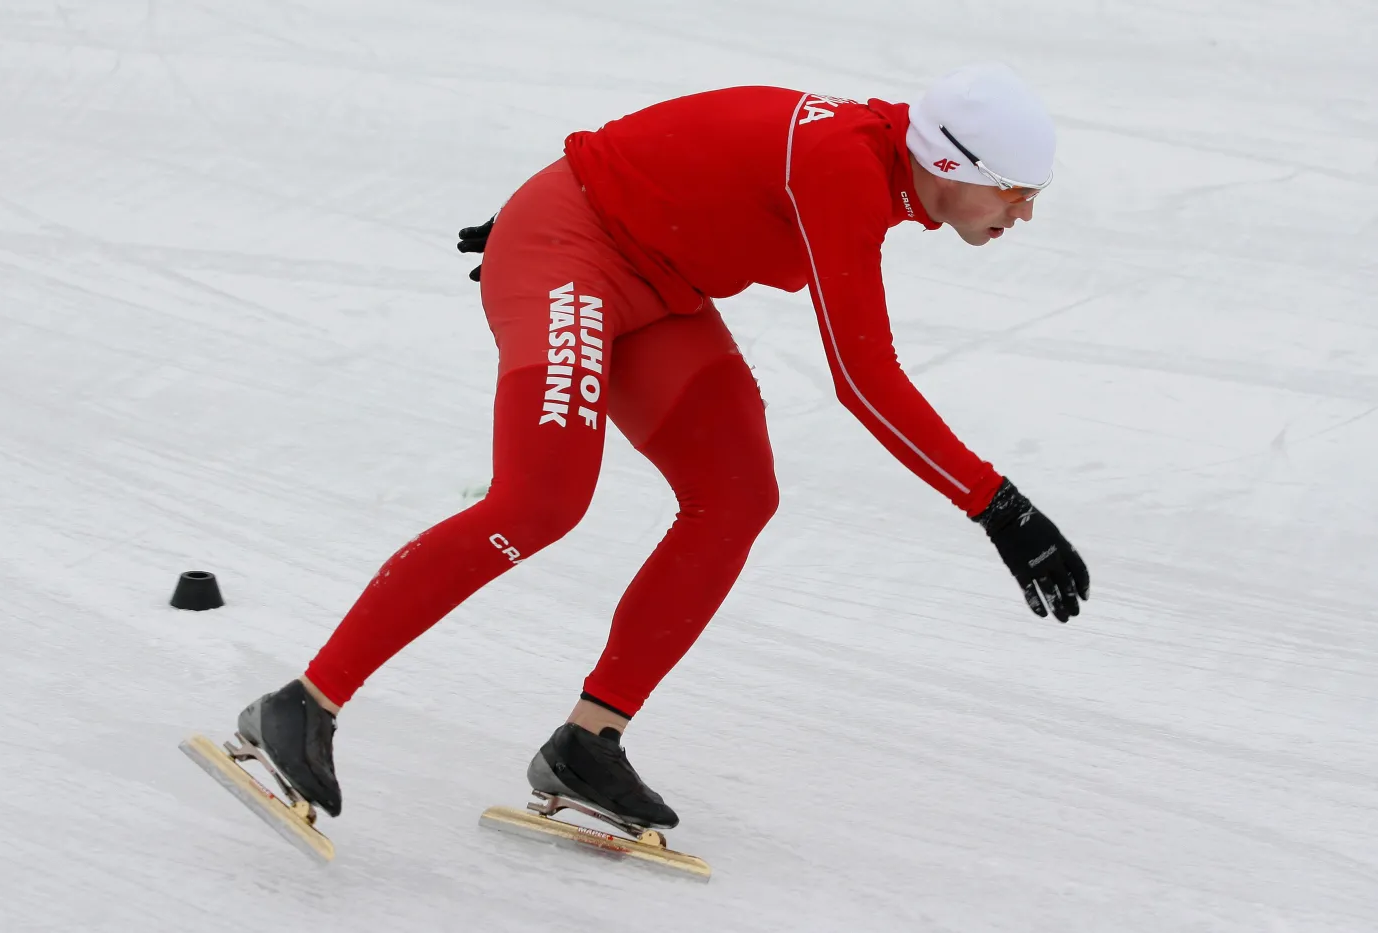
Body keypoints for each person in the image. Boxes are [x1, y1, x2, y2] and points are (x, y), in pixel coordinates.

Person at [233, 62, 1090, 832]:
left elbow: (710, 136)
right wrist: (996, 505)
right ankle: (301, 703)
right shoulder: (845, 168)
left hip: (659, 282)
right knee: (541, 501)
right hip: (573, 249)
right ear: (949, 165)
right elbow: (864, 380)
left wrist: (605, 178)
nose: (1024, 211)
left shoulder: (874, 161)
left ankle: (588, 742)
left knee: (737, 494)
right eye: (1015, 191)